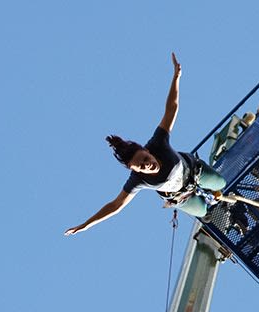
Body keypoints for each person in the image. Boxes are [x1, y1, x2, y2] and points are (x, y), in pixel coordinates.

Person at [65, 53, 226, 236]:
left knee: (221, 183)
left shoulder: (157, 142)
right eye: (142, 166)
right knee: (205, 213)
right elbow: (115, 205)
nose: (147, 165)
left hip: (194, 170)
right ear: (137, 171)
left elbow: (171, 109)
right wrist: (86, 224)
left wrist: (176, 78)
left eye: (145, 158)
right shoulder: (138, 180)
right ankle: (212, 213)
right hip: (181, 196)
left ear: (146, 150)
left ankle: (217, 195)